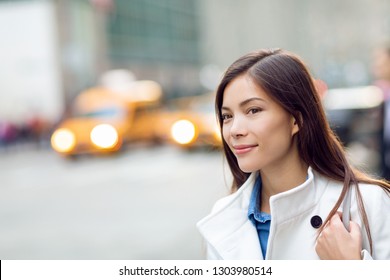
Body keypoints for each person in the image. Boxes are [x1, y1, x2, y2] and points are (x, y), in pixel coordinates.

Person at [197, 49, 390, 260]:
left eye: (253, 110)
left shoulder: (367, 203)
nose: (234, 130)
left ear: (296, 119)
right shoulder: (223, 217)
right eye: (227, 116)